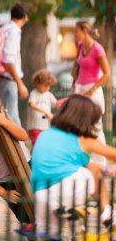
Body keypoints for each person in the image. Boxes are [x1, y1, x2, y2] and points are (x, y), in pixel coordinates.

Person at [31, 95, 116, 237]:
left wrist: (107, 170)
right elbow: (108, 157)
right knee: (93, 171)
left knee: (47, 236)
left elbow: (85, 165)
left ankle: (75, 222)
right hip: (67, 189)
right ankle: (107, 214)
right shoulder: (81, 140)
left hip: (40, 195)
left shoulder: (45, 135)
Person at [72, 20, 112, 165]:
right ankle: (77, 160)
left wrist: (93, 88)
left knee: (95, 126)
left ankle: (100, 161)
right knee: (75, 125)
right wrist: (74, 86)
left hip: (92, 91)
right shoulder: (80, 46)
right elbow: (78, 68)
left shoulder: (98, 49)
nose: (74, 34)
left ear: (84, 31)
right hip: (79, 89)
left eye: (76, 31)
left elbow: (107, 74)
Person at [0, 2, 29, 127]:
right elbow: (9, 61)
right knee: (12, 120)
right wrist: (20, 83)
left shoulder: (4, 29)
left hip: (1, 78)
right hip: (8, 80)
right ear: (25, 17)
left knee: (8, 117)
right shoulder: (14, 32)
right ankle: (20, 147)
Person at [27, 69, 57, 148]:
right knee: (37, 145)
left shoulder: (49, 94)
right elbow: (31, 105)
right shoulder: (34, 93)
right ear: (38, 83)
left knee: (43, 146)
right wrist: (46, 112)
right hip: (35, 126)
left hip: (45, 127)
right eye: (45, 85)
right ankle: (33, 160)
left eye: (49, 85)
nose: (47, 88)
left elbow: (57, 104)